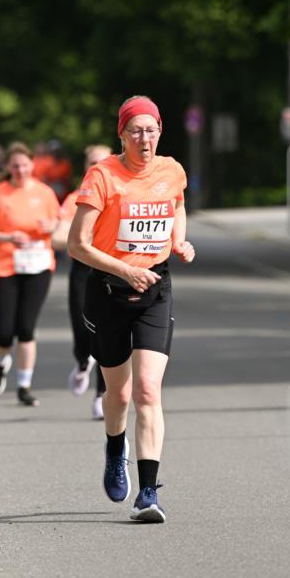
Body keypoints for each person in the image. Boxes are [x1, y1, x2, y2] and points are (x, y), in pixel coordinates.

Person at [67, 96, 195, 523]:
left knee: (147, 391)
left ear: (161, 131)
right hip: (107, 293)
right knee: (118, 395)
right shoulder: (102, 176)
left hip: (155, 290)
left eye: (152, 129)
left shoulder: (172, 170)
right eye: (136, 130)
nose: (145, 138)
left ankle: (148, 493)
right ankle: (114, 446)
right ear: (121, 135)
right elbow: (77, 244)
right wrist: (124, 268)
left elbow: (176, 205)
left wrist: (178, 239)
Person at [0, 142, 60, 405]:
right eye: (15, 165)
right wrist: (8, 236)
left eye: (25, 165)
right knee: (5, 331)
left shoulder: (45, 192)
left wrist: (51, 225)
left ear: (32, 165)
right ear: (8, 167)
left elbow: (58, 223)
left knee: (26, 328)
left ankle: (24, 386)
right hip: (5, 266)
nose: (20, 170)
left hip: (38, 264)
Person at [53, 145, 112, 420]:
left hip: (112, 272)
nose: (97, 165)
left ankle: (101, 395)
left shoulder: (121, 192)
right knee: (82, 330)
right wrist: (76, 238)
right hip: (82, 270)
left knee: (107, 334)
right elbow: (59, 236)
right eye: (92, 162)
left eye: (102, 161)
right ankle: (81, 361)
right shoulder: (76, 197)